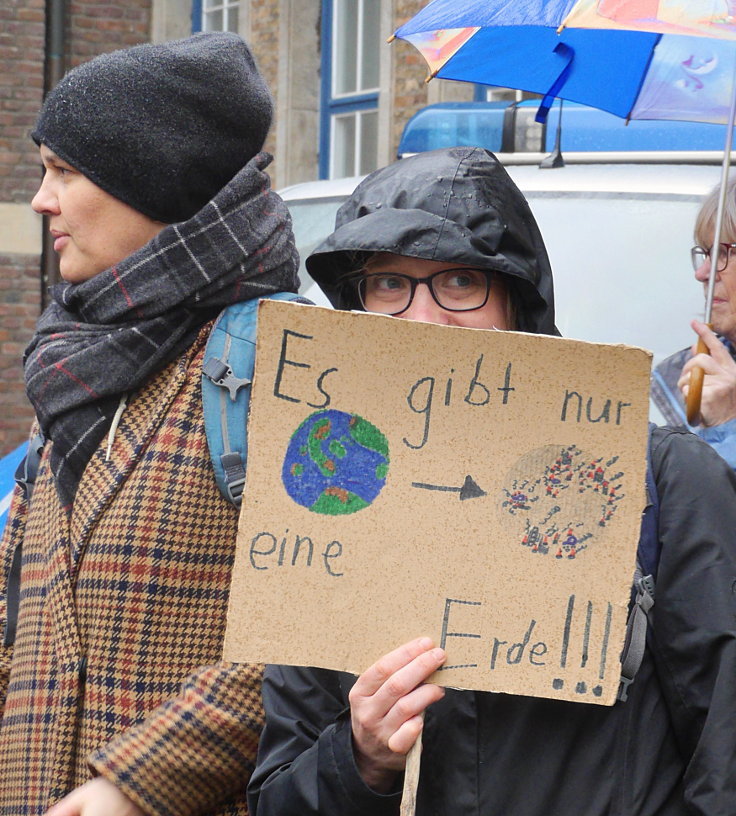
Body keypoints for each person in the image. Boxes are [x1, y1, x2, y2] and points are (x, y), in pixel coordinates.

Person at [247, 146, 736, 816]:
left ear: (516, 299)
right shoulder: (327, 498)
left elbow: (724, 759)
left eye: (458, 283)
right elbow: (277, 795)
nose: (423, 319)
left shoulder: (666, 482)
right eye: (389, 285)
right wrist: (360, 759)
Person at [0, 33, 300, 816]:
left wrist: (132, 788)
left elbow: (317, 632)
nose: (43, 200)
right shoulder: (74, 363)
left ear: (153, 179)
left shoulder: (287, 367)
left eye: (66, 171)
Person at [651, 178, 736, 469]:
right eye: (705, 253)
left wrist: (728, 425)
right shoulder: (685, 377)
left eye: (726, 252)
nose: (703, 274)